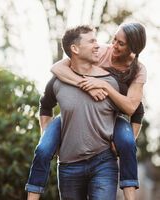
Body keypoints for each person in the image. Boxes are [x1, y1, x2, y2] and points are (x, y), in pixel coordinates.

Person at [25, 22, 146, 200]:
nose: (113, 46)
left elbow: (135, 108)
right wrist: (85, 85)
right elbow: (56, 69)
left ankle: (130, 193)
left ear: (132, 49)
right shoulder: (103, 50)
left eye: (120, 43)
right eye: (114, 40)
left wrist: (104, 85)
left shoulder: (137, 71)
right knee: (43, 149)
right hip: (69, 151)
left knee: (128, 143)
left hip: (112, 123)